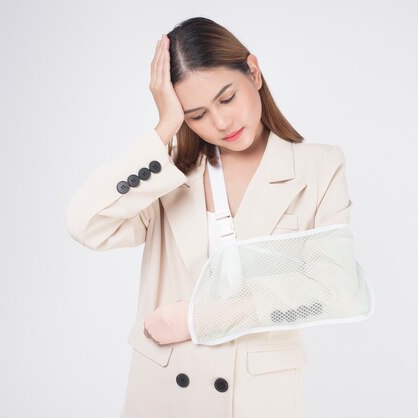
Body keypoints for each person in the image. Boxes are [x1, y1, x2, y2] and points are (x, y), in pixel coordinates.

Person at [66, 16, 353, 418]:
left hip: (260, 400)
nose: (220, 123)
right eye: (196, 114)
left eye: (227, 98)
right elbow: (86, 224)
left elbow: (334, 291)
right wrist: (165, 127)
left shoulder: (319, 166)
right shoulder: (165, 172)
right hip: (164, 396)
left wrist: (197, 318)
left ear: (253, 71)